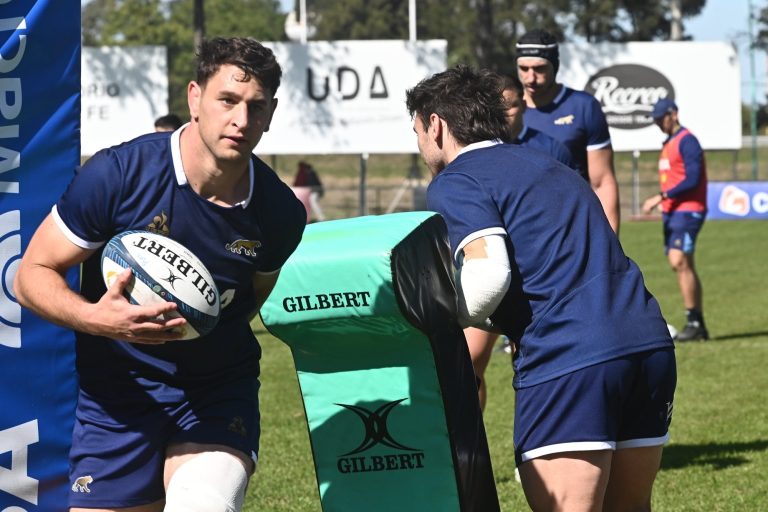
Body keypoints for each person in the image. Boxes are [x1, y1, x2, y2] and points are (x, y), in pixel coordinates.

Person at [14, 37, 306, 512]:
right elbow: (31, 274)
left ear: (271, 114)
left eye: (256, 107)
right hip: (118, 397)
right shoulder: (118, 174)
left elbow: (250, 298)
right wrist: (99, 320)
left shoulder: (278, 214)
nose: (240, 120)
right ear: (195, 97)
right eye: (227, 100)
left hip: (215, 392)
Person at [406, 65, 675, 511]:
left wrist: (432, 321)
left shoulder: (456, 180)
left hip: (571, 354)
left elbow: (490, 275)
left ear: (435, 125)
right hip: (647, 343)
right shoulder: (550, 163)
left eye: (416, 130)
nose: (418, 143)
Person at [464, 71, 574, 410]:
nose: (502, 114)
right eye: (495, 107)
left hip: (535, 275)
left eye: (509, 107)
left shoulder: (550, 149)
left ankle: (532, 453)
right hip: (489, 269)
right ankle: (471, 454)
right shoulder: (470, 153)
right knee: (468, 363)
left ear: (524, 105)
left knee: (529, 365)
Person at [516, 29, 621, 234]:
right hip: (522, 231)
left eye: (539, 69)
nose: (530, 78)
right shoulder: (507, 111)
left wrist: (610, 243)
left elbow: (603, 182)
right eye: (523, 68)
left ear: (554, 66)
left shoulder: (583, 107)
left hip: (574, 227)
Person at [642, 98, 709, 341]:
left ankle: (695, 321)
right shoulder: (669, 143)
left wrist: (661, 196)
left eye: (662, 118)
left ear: (674, 114)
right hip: (673, 212)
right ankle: (697, 323)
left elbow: (692, 178)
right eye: (656, 119)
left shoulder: (687, 140)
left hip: (688, 209)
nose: (659, 123)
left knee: (680, 261)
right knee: (678, 263)